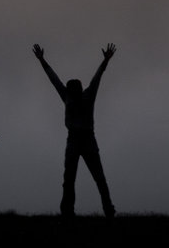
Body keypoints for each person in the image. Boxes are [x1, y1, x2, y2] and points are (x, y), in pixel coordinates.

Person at [33, 43, 117, 217]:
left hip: (86, 139)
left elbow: (97, 77)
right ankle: (68, 211)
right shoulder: (69, 96)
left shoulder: (86, 95)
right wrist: (42, 60)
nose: (72, 91)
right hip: (74, 139)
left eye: (73, 89)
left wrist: (105, 61)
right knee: (70, 179)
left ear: (77, 89)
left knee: (98, 177)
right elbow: (53, 79)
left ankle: (107, 209)